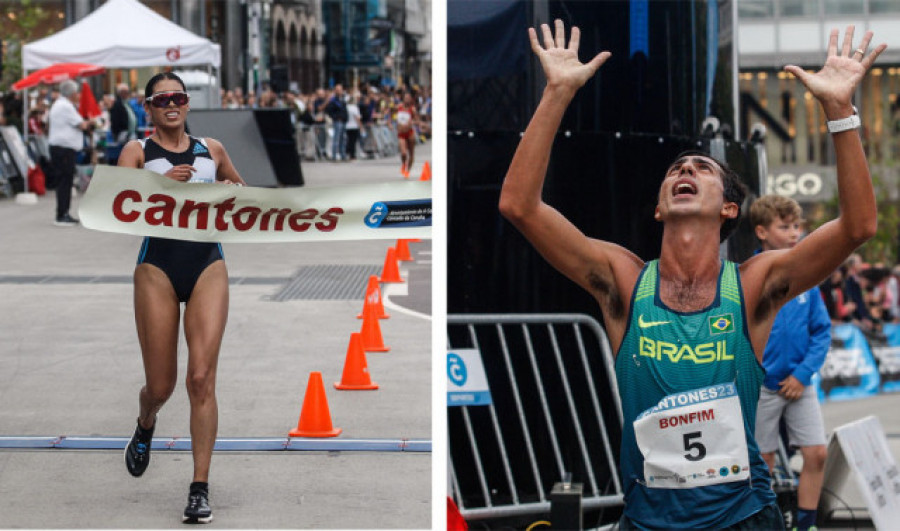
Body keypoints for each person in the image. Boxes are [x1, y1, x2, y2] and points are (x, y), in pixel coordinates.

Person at [498, 20, 883, 529]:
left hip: (742, 516)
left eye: (701, 168)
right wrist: (556, 93)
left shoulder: (751, 286)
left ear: (728, 209)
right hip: (648, 519)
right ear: (659, 208)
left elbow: (858, 226)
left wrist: (839, 112)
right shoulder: (624, 281)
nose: (685, 172)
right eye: (676, 169)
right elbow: (519, 206)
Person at [117, 72, 246, 524]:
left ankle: (199, 487)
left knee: (201, 378)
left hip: (207, 262)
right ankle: (146, 421)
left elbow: (241, 196)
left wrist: (232, 193)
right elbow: (116, 207)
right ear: (149, 107)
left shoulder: (212, 150)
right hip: (157, 267)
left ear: (188, 104)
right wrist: (161, 186)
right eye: (162, 99)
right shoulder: (137, 152)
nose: (172, 104)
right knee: (161, 386)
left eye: (179, 97)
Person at [749, 195, 830, 531]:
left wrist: (802, 374)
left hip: (800, 384)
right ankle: (764, 523)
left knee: (817, 454)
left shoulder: (806, 278)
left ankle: (806, 523)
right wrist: (756, 374)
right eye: (785, 226)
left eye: (797, 226)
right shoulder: (747, 277)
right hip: (762, 387)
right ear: (761, 231)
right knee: (762, 463)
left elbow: (821, 331)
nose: (795, 233)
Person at [47, 80, 93, 226]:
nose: (78, 95)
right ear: (72, 93)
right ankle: (62, 215)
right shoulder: (65, 106)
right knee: (64, 182)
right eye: (77, 92)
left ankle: (63, 213)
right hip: (63, 150)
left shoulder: (61, 104)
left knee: (65, 181)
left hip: (61, 149)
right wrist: (91, 122)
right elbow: (81, 124)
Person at [395, 91, 419, 177]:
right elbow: (390, 113)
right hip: (401, 133)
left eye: (408, 98)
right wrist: (390, 122)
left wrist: (411, 122)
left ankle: (407, 171)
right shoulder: (399, 107)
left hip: (409, 133)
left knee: (411, 153)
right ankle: (404, 164)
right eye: (405, 98)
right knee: (404, 153)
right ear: (403, 99)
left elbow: (417, 120)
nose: (407, 99)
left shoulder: (412, 109)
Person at [324, 84, 349, 161]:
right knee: (336, 139)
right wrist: (335, 117)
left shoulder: (343, 99)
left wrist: (345, 118)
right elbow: (329, 110)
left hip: (343, 121)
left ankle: (343, 155)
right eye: (337, 90)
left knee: (343, 139)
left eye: (340, 90)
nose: (339, 91)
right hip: (337, 121)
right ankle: (334, 156)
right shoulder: (333, 100)